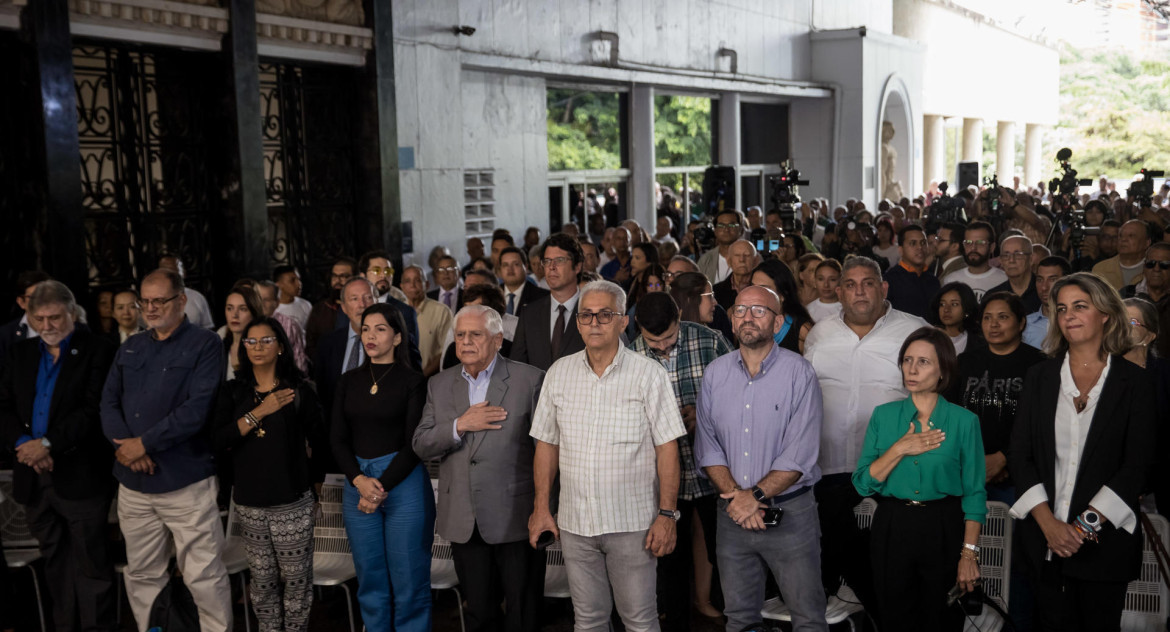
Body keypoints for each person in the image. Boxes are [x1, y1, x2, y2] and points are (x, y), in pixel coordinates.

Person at [528, 280, 686, 632]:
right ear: (578, 322)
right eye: (586, 315)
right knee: (588, 620)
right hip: (575, 524)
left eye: (605, 314)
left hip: (633, 525)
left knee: (640, 621)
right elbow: (546, 445)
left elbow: (667, 448)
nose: (594, 322)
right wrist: (541, 508)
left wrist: (666, 514)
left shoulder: (649, 375)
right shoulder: (559, 373)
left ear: (622, 322)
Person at [1008, 273, 1156, 631]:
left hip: (1106, 547)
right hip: (1043, 544)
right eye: (1061, 309)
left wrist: (1081, 528)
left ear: (1105, 313)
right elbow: (1019, 456)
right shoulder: (1039, 377)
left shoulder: (1135, 382)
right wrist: (1049, 526)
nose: (1069, 315)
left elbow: (1138, 464)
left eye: (1080, 306)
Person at [100, 268, 232, 632]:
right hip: (133, 484)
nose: (151, 308)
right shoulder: (131, 346)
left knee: (202, 574)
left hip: (185, 481)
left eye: (160, 300)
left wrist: (144, 443)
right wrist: (128, 448)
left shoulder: (206, 344)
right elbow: (108, 403)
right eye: (146, 301)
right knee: (142, 573)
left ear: (182, 300)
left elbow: (197, 409)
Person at [695, 286, 829, 632]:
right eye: (740, 310)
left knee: (808, 619)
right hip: (731, 516)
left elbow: (799, 454)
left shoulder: (800, 374)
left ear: (779, 322)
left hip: (791, 515)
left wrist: (752, 497)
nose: (747, 318)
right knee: (739, 618)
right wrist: (738, 500)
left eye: (759, 311)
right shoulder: (715, 373)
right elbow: (708, 447)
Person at [803, 255, 928, 612]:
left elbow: (932, 396)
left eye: (868, 283)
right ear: (839, 292)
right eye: (851, 285)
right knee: (830, 553)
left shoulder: (914, 330)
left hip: (891, 470)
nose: (860, 292)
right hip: (827, 467)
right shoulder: (820, 333)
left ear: (883, 287)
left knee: (887, 561)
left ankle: (883, 614)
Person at [413, 305, 546, 632]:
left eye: (476, 334)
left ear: (498, 340)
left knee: (523, 612)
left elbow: (547, 449)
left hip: (516, 513)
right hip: (463, 517)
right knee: (479, 612)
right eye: (460, 335)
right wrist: (460, 425)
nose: (466, 342)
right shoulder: (439, 385)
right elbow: (421, 443)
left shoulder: (530, 380)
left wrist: (546, 507)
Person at [0, 281, 118, 632]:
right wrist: (26, 445)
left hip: (81, 475)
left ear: (72, 312)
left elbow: (92, 410)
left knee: (92, 565)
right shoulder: (20, 353)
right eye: (39, 318)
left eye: (55, 317)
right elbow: (3, 406)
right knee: (55, 563)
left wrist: (48, 444)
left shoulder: (99, 350)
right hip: (33, 477)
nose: (47, 326)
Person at [853, 327, 986, 631]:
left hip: (944, 525)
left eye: (923, 362)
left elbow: (975, 493)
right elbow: (862, 483)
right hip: (892, 524)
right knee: (894, 617)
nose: (911, 369)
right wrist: (899, 448)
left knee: (942, 618)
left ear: (943, 370)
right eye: (907, 360)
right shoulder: (883, 416)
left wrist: (969, 554)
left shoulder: (964, 422)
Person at [212, 317, 322, 632]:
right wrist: (260, 411)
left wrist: (312, 489)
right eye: (251, 341)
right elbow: (219, 441)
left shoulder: (299, 391)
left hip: (292, 502)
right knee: (262, 583)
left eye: (266, 340)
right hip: (250, 502)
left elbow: (320, 442)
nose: (258, 348)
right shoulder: (233, 392)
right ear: (242, 348)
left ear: (280, 347)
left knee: (296, 583)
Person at [629, 293, 732, 628]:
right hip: (663, 482)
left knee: (728, 554)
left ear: (679, 318)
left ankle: (736, 617)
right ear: (637, 328)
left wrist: (702, 417)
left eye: (669, 337)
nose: (660, 347)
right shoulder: (629, 355)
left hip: (716, 473)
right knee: (670, 560)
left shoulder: (710, 340)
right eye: (652, 340)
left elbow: (742, 401)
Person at [330, 304, 433, 632]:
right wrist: (360, 480)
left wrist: (379, 487)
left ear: (398, 336)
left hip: (402, 482)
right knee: (370, 578)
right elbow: (336, 439)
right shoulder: (348, 381)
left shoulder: (414, 381)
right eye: (366, 329)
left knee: (409, 580)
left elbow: (415, 444)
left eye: (380, 329)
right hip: (357, 482)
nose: (370, 336)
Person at [947, 291, 1046, 504]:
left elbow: (1042, 424)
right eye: (987, 317)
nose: (993, 324)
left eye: (1003, 317)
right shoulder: (965, 362)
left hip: (1018, 474)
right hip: (967, 468)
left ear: (1021, 323)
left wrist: (1003, 459)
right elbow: (948, 415)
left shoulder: (1040, 365)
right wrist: (974, 462)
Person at [510, 233, 586, 371]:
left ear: (577, 266)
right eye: (547, 261)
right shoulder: (530, 314)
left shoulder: (592, 311)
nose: (551, 267)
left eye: (559, 260)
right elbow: (518, 368)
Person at [1122, 298, 1170, 514]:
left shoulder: (1164, 374)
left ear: (1150, 335)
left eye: (1130, 322)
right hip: (1113, 484)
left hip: (1159, 482)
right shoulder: (1100, 374)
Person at [750, 259, 813, 354]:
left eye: (764, 288)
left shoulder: (802, 331)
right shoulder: (745, 322)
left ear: (782, 294)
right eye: (753, 287)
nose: (756, 294)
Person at [400, 265, 453, 376]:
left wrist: (423, 375)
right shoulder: (396, 311)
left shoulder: (442, 312)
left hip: (431, 378)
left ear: (427, 285)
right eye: (407, 281)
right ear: (402, 287)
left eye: (418, 280)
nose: (413, 285)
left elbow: (447, 350)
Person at [1121, 242, 1170, 359]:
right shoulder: (1125, 296)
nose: (1156, 269)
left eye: (1164, 265)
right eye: (1150, 264)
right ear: (1144, 267)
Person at [883, 224, 940, 318]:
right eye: (913, 243)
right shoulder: (889, 280)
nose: (920, 248)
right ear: (901, 250)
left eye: (923, 243)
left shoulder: (933, 281)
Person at [941, 221, 1008, 300]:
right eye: (968, 242)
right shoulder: (950, 280)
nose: (973, 248)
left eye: (980, 243)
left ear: (992, 247)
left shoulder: (1004, 279)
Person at [254, 280, 309, 374]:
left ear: (277, 302)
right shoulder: (246, 323)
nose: (261, 303)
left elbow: (299, 363)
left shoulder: (290, 325)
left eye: (266, 300)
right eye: (257, 299)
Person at [306, 256, 356, 359]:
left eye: (344, 276)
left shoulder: (361, 306)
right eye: (334, 276)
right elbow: (311, 343)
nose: (338, 281)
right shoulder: (320, 309)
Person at [0, 271, 52, 366]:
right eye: (34, 297)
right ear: (21, 302)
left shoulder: (74, 330)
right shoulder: (5, 335)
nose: (42, 301)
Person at [218, 283, 265, 381]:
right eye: (229, 308)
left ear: (254, 312)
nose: (234, 315)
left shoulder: (263, 347)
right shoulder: (221, 346)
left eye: (243, 309)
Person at [1024, 256, 1072, 350]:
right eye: (1040, 280)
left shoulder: (1079, 321)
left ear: (1067, 282)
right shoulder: (1024, 325)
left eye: (1052, 280)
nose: (1044, 287)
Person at [1092, 219, 1152, 291]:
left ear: (1147, 243)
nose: (1123, 239)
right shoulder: (1100, 269)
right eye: (1120, 235)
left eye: (1131, 236)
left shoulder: (1155, 269)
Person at [157, 255, 214, 329]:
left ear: (184, 273)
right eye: (166, 271)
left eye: (175, 270)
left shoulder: (197, 297)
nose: (171, 276)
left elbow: (208, 330)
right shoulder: (150, 300)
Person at [989, 235, 1041, 313]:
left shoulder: (1044, 292)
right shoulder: (993, 296)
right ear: (1001, 261)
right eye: (1006, 255)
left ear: (1031, 259)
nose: (1011, 260)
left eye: (1018, 254)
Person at [927, 282, 983, 355]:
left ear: (967, 309)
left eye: (954, 304)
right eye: (942, 304)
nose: (946, 309)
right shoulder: (928, 337)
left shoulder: (978, 342)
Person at [499, 246, 550, 317]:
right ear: (500, 269)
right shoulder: (491, 296)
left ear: (525, 267)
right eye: (505, 265)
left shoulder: (542, 298)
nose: (510, 269)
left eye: (515, 264)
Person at [698, 209, 744, 284]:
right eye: (721, 225)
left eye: (731, 225)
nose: (726, 229)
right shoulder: (706, 260)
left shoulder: (752, 258)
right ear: (715, 230)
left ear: (741, 230)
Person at [711, 240, 755, 311]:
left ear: (755, 261)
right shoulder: (716, 291)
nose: (742, 260)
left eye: (747, 255)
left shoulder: (762, 288)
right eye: (737, 255)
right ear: (729, 261)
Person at [271, 265, 312, 329]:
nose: (299, 284)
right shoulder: (273, 309)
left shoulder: (306, 305)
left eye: (298, 279)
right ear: (279, 284)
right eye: (292, 281)